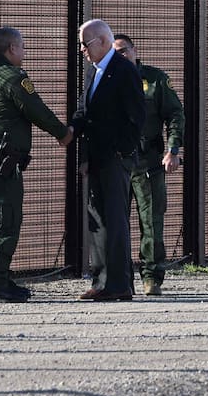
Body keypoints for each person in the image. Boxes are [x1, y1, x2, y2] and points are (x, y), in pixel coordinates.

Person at [0, 27, 73, 303]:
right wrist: (62, 133)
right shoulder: (12, 77)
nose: (24, 52)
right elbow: (35, 109)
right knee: (3, 217)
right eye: (22, 47)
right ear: (12, 48)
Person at [71, 19, 145, 301]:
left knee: (114, 221)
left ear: (102, 41)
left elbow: (136, 117)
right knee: (98, 221)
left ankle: (118, 285)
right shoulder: (94, 72)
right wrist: (73, 135)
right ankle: (102, 280)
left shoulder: (124, 70)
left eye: (85, 44)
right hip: (98, 157)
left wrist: (120, 152)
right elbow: (84, 113)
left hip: (115, 157)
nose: (82, 50)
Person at [112, 35, 185, 297]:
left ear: (134, 51)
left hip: (148, 162)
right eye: (114, 52)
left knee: (151, 222)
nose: (120, 56)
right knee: (115, 222)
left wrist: (173, 150)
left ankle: (151, 277)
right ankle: (118, 279)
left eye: (123, 51)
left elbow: (175, 114)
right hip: (117, 162)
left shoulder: (154, 80)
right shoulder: (105, 79)